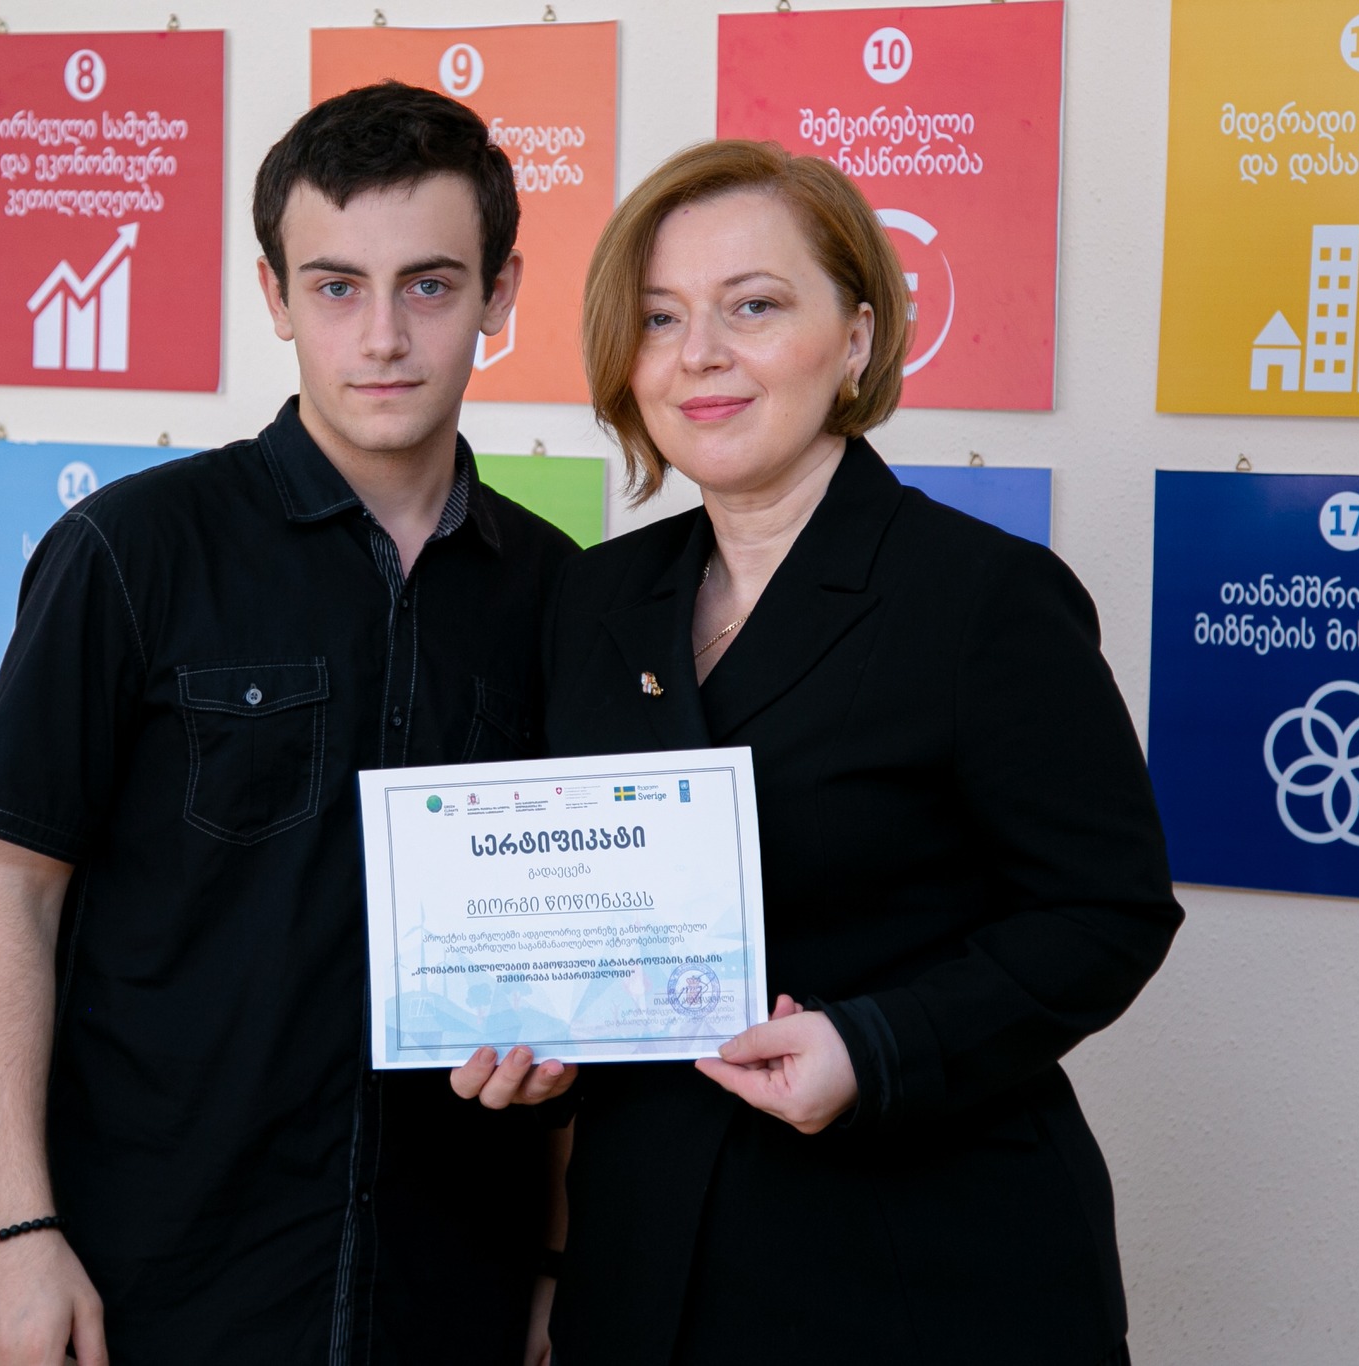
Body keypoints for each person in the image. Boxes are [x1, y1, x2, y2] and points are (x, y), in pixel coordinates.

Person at [455, 140, 1183, 1365]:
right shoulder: (591, 601)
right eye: (660, 317)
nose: (699, 354)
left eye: (752, 306)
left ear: (855, 336)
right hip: (643, 1273)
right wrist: (539, 1047)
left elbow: (1106, 911)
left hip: (920, 1273)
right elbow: (582, 912)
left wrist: (873, 1046)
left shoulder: (981, 597)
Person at [0, 82, 577, 1364]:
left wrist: (561, 1259)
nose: (383, 336)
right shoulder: (130, 551)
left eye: (430, 285)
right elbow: (6, 892)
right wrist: (10, 1235)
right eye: (336, 287)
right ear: (275, 297)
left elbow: (573, 965)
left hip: (449, 1281)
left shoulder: (560, 592)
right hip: (158, 1278)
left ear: (500, 295)